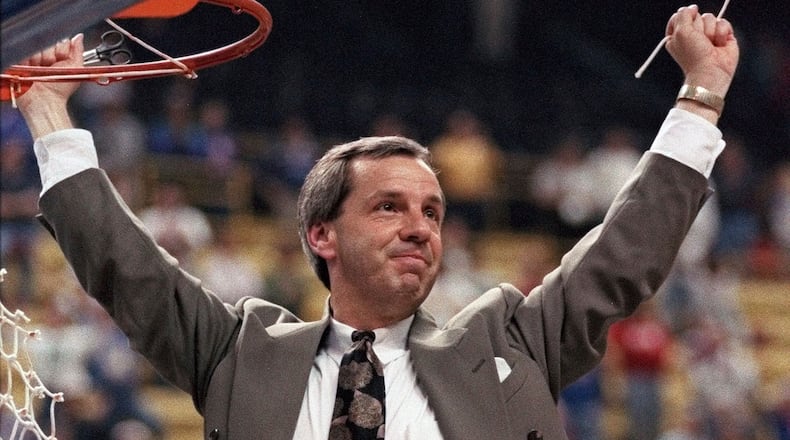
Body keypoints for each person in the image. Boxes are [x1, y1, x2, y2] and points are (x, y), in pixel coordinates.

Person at [14, 5, 738, 439]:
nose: (421, 227)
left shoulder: (510, 340)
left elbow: (623, 254)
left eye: (433, 211)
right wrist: (47, 110)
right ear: (321, 235)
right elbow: (126, 267)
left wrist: (702, 93)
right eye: (389, 206)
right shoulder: (240, 351)